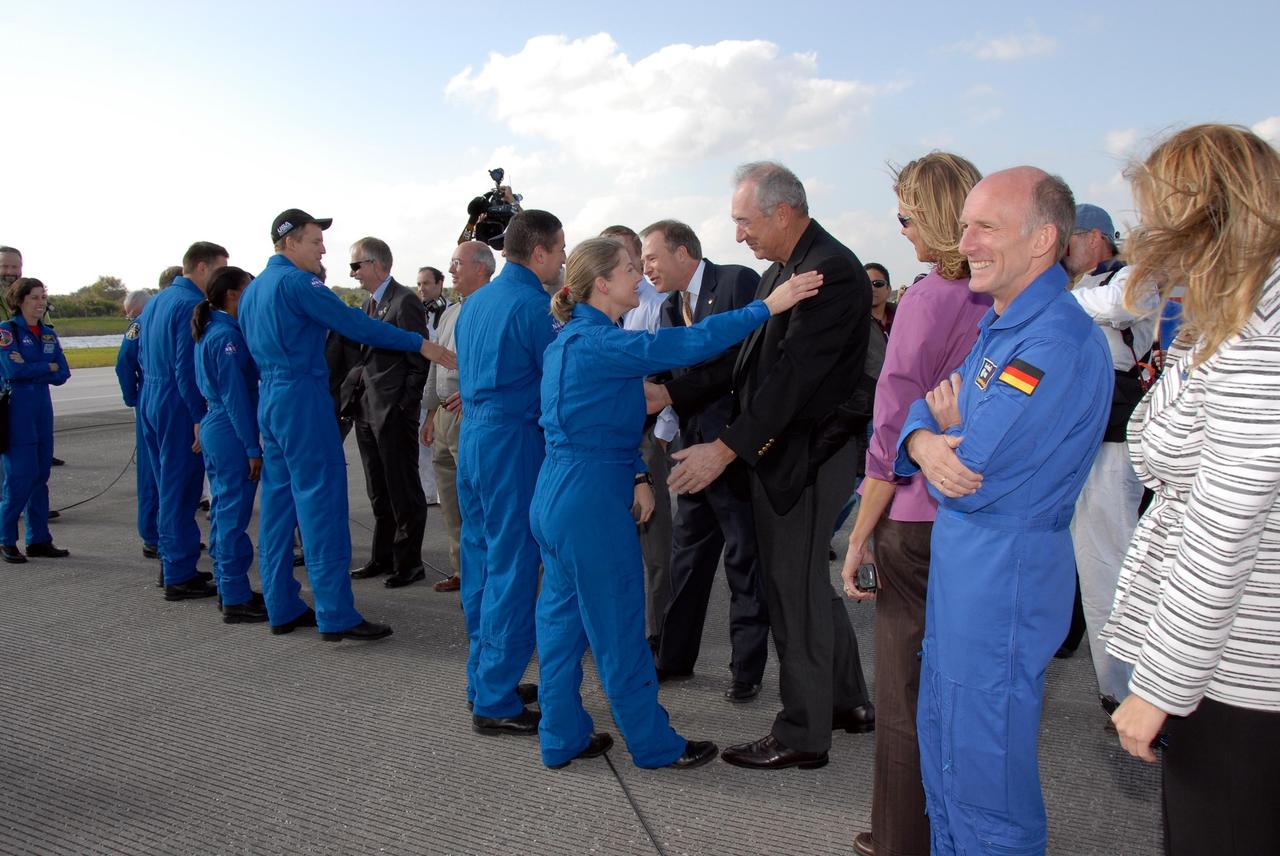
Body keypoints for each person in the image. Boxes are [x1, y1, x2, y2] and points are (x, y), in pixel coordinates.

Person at [532, 236, 822, 769]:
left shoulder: (570, 342)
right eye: (626, 269)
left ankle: (561, 734)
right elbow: (689, 344)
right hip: (589, 500)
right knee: (619, 627)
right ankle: (653, 745)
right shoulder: (602, 344)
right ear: (601, 285)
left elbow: (589, 425)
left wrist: (639, 473)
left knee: (561, 624)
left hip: (559, 493)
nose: (637, 277)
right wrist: (767, 307)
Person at [896, 166, 1111, 854]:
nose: (965, 241)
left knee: (986, 770)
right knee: (946, 748)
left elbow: (973, 470)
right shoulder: (1004, 324)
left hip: (1004, 571)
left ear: (1043, 239)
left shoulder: (1052, 340)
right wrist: (928, 438)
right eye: (964, 225)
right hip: (969, 565)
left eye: (984, 226)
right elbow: (921, 420)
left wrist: (935, 442)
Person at [656, 161, 875, 770]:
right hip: (786, 454)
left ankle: (802, 734)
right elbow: (746, 361)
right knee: (804, 583)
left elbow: (793, 379)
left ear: (783, 212)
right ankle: (848, 702)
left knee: (792, 592)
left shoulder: (828, 270)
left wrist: (723, 448)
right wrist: (672, 394)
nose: (737, 236)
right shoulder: (782, 270)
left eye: (743, 221)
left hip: (805, 459)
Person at [1103, 123, 1280, 856]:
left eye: (1153, 212)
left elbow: (1225, 522)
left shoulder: (1258, 330)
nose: (1143, 233)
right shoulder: (1236, 312)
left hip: (1240, 669)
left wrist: (1161, 687)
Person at [837, 152, 990, 856]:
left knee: (902, 698)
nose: (900, 230)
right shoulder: (998, 296)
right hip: (975, 519)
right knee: (959, 692)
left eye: (904, 216)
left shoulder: (928, 299)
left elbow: (889, 434)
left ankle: (899, 840)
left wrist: (861, 537)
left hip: (917, 517)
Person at [237, 209, 455, 641]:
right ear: (290, 243)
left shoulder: (254, 290)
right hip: (301, 397)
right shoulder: (299, 283)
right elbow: (355, 324)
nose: (323, 248)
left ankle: (281, 604)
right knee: (322, 506)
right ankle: (336, 614)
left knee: (279, 509)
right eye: (316, 240)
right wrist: (419, 343)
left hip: (273, 400)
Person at [640, 218, 770, 703]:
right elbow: (668, 364)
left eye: (652, 257)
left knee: (744, 561)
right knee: (687, 558)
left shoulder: (736, 281)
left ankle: (746, 670)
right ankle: (674, 658)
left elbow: (738, 358)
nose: (646, 267)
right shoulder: (671, 306)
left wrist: (669, 391)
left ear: (683, 252)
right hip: (690, 451)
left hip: (736, 450)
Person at [454, 209, 565, 734]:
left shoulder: (476, 303)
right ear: (539, 252)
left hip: (474, 439)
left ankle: (484, 677)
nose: (565, 258)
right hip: (512, 441)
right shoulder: (533, 306)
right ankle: (495, 697)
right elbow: (560, 381)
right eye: (560, 248)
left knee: (480, 561)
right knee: (514, 566)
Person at [1063, 202, 1158, 704]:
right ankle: (1114, 683)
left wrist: (1047, 303)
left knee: (1110, 555)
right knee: (1085, 555)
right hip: (1077, 425)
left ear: (1095, 236)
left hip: (1113, 429)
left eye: (1070, 239)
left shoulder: (1133, 276)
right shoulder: (1076, 287)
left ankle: (1133, 686)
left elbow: (1119, 307)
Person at [139, 241, 228, 600]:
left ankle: (170, 561)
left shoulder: (157, 300)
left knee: (164, 485)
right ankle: (178, 571)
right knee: (181, 489)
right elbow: (184, 366)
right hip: (176, 400)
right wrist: (197, 415)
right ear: (203, 268)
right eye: (220, 268)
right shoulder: (192, 304)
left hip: (152, 394)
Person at [605, 224, 676, 653]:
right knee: (621, 535)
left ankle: (656, 632)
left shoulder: (657, 306)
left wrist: (664, 437)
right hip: (617, 437)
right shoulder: (612, 311)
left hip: (649, 436)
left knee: (655, 539)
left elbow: (670, 372)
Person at [346, 237, 431, 589]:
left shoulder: (405, 301)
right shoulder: (370, 303)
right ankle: (382, 557)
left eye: (356, 266)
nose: (353, 274)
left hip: (392, 409)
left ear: (377, 264)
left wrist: (404, 404)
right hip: (367, 408)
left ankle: (409, 562)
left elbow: (419, 359)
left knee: (403, 489)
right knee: (378, 489)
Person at [192, 266, 268, 623]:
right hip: (230, 428)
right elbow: (236, 396)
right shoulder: (226, 337)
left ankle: (230, 586)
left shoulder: (216, 330)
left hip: (219, 425)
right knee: (232, 515)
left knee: (225, 513)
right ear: (233, 295)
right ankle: (234, 594)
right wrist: (252, 448)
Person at [422, 241, 494, 593]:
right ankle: (462, 570)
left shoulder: (492, 308)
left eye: (456, 263)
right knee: (450, 502)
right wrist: (430, 412)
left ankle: (484, 577)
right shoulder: (451, 312)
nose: (450, 270)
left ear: (480, 267)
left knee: (476, 503)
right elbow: (437, 366)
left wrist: (475, 396)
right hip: (444, 418)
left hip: (471, 416)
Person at [0, 278, 70, 562]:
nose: (40, 303)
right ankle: (6, 539)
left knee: (41, 475)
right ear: (20, 301)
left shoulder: (48, 335)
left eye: (43, 297)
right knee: (19, 477)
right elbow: (12, 371)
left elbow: (62, 373)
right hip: (17, 408)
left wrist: (36, 368)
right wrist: (45, 366)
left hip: (42, 406)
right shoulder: (6, 331)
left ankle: (39, 538)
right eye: (34, 298)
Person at [114, 289, 160, 559]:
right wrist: (133, 397)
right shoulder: (139, 326)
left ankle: (168, 530)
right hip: (151, 394)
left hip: (157, 395)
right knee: (151, 472)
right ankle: (151, 534)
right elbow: (124, 364)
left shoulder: (149, 318)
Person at [416, 265, 448, 506]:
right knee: (423, 443)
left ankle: (442, 490)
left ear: (439, 284)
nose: (421, 289)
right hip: (420, 386)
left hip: (444, 387)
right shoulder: (415, 312)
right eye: (418, 284)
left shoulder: (450, 313)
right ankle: (428, 492)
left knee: (441, 443)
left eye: (426, 283)